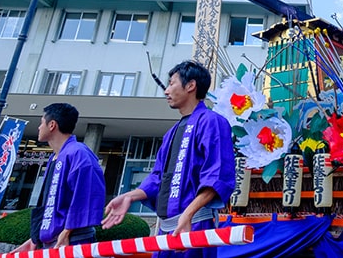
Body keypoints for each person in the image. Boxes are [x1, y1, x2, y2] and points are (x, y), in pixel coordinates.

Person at [102, 60, 235, 258]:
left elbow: (217, 176)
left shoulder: (213, 122)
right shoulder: (172, 133)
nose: (166, 90)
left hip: (195, 225)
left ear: (190, 85)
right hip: (167, 230)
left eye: (172, 83)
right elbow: (157, 178)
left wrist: (188, 214)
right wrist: (130, 196)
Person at [13, 103, 106, 251]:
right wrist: (34, 239)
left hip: (72, 239)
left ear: (52, 125)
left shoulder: (79, 153)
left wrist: (68, 230)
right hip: (53, 239)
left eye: (41, 122)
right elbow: (48, 203)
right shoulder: (55, 157)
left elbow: (87, 194)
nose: (39, 127)